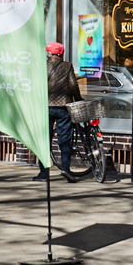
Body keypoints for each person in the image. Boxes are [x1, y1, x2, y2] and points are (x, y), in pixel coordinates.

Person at [36, 41, 81, 182]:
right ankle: (65, 169)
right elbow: (73, 85)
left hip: (46, 108)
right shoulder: (67, 66)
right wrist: (77, 99)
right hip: (63, 107)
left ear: (48, 53)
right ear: (61, 53)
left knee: (44, 139)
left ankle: (44, 173)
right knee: (64, 139)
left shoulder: (42, 66)